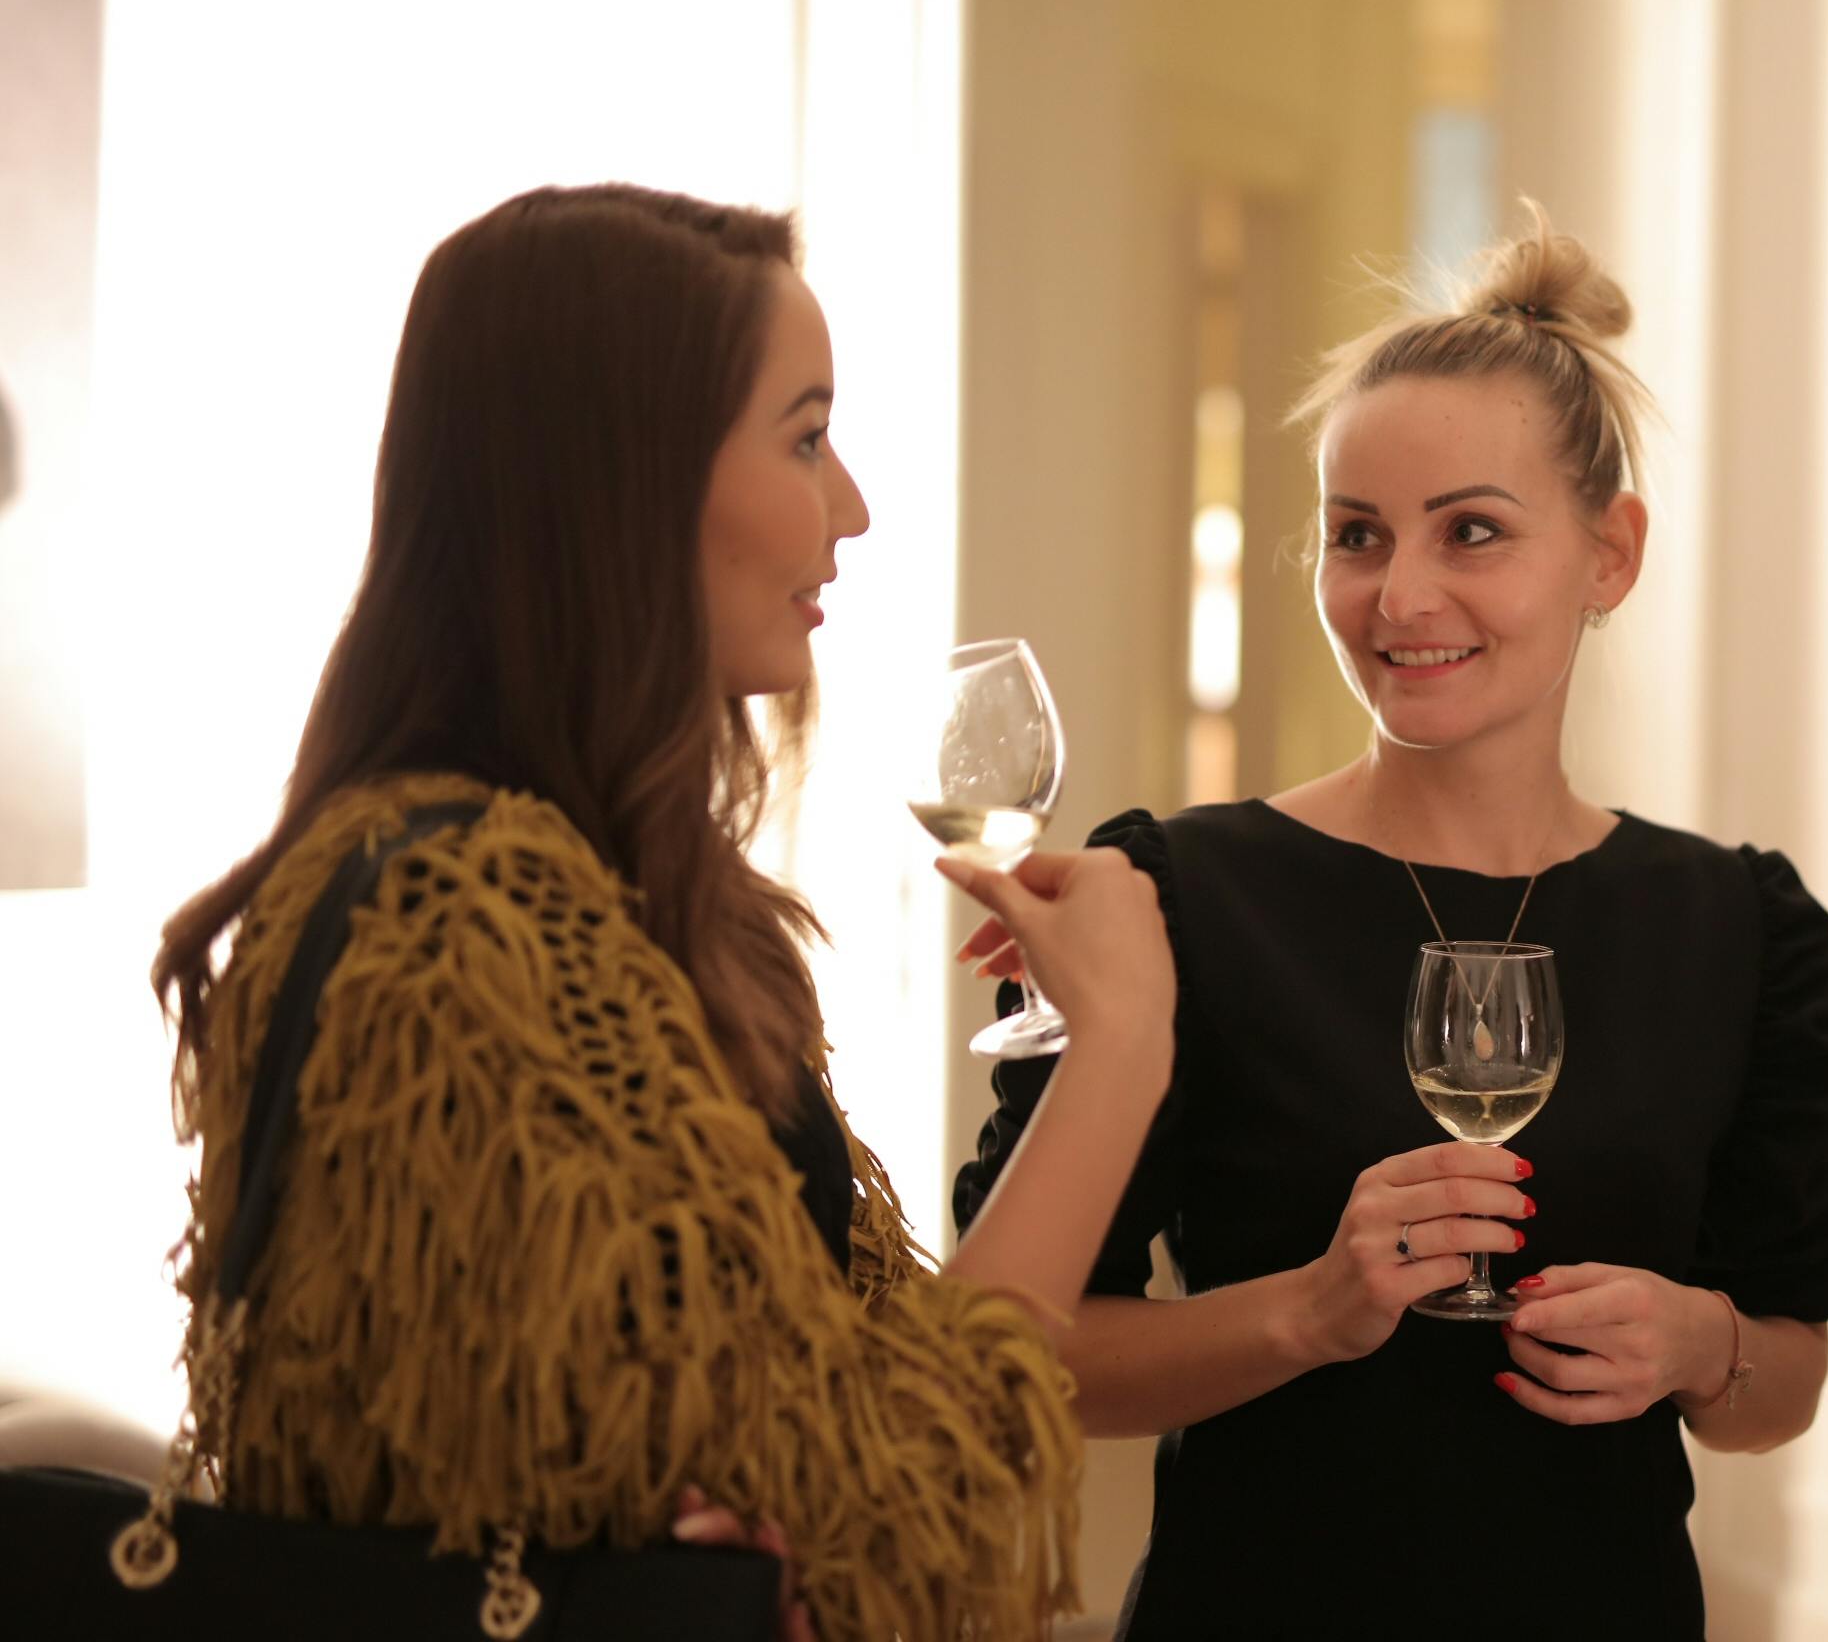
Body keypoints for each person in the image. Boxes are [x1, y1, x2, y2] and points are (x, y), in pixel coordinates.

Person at [153, 185, 1175, 1642]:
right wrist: (1121, 1053)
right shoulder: (464, 929)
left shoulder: (613, 899)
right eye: (806, 437)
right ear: (620, 484)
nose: (854, 507)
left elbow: (839, 1418)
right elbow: (888, 1518)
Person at [952, 211, 1828, 1637]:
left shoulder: (1736, 931)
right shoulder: (1179, 902)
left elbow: (1778, 1385)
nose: (1400, 595)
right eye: (1357, 537)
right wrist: (1308, 1311)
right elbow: (1026, 1359)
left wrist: (1702, 1344)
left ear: (1610, 554)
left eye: (1474, 533)